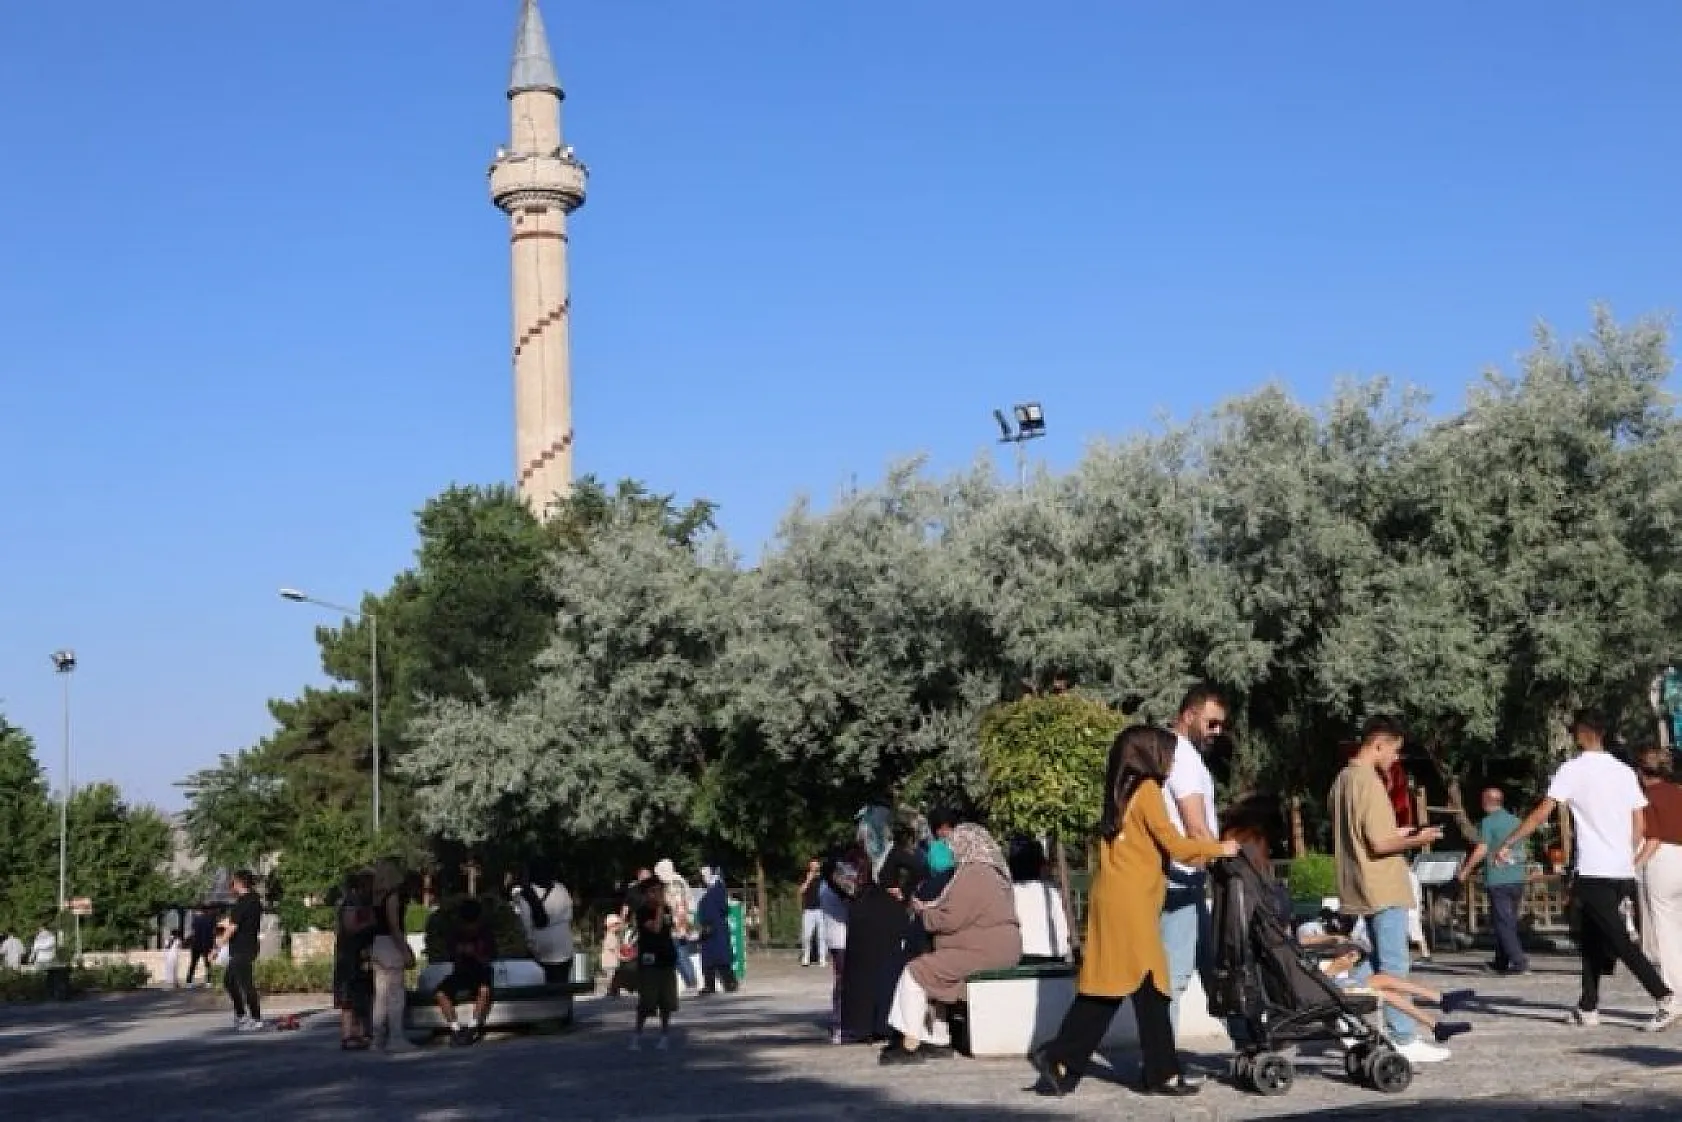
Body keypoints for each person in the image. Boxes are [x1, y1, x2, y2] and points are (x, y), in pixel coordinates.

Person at [1031, 726, 1238, 1098]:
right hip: (1132, 902)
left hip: (1112, 897)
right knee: (1149, 984)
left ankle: (1064, 1062)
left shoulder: (1118, 793)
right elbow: (1174, 844)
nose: (1172, 761)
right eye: (1168, 753)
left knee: (1115, 985)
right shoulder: (1147, 792)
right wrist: (1219, 849)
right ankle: (1155, 1073)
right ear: (1149, 754)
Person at [1496, 711, 1678, 1031]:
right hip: (1621, 870)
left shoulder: (1572, 770)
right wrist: (1625, 854)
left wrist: (1509, 842)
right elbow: (1639, 823)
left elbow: (1542, 813)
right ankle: (1588, 1006)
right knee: (1593, 939)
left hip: (1594, 869)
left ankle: (1665, 997)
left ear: (1581, 734)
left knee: (1618, 940)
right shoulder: (1624, 772)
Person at [1329, 716, 1451, 1065]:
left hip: (1357, 885)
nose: (1395, 760)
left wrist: (1401, 832)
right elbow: (1379, 842)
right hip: (1382, 885)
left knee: (1370, 963)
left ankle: (1343, 1011)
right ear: (1378, 744)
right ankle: (1403, 1035)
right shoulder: (1368, 781)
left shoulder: (1342, 780)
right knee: (1394, 963)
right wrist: (1418, 838)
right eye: (1394, 751)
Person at [879, 823, 1021, 1064]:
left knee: (916, 972)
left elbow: (951, 918)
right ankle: (938, 1039)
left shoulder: (973, 873)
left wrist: (925, 915)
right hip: (998, 949)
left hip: (982, 952)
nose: (951, 850)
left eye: (954, 845)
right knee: (938, 974)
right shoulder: (993, 872)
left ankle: (909, 1043)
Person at [1160, 683, 1227, 1037]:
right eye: (1212, 723)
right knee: (1176, 973)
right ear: (1189, 715)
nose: (1218, 732)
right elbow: (1195, 825)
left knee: (1210, 964)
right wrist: (1224, 858)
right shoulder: (1183, 758)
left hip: (1188, 877)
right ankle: (1162, 1061)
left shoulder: (1178, 754)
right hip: (1183, 877)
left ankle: (1247, 1039)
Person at [839, 808, 913, 1043]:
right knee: (885, 971)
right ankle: (884, 1023)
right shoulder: (893, 852)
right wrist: (905, 893)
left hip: (860, 916)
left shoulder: (855, 852)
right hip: (888, 915)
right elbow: (920, 869)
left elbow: (840, 880)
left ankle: (860, 1026)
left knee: (861, 973)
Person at [1456, 787, 1531, 975]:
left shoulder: (1488, 823)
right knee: (1508, 920)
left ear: (1486, 801)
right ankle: (1501, 961)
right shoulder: (1516, 821)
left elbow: (1482, 849)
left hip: (1498, 878)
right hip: (1517, 876)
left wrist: (1466, 869)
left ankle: (1519, 961)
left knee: (1502, 922)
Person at [1635, 745, 1682, 995]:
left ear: (1641, 771)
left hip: (1662, 859)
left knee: (1666, 931)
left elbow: (1652, 837)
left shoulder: (1645, 797)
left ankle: (1675, 991)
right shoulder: (1677, 792)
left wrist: (1633, 864)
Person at [368, 859, 417, 1052]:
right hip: (390, 943)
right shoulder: (393, 897)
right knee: (395, 993)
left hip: (377, 943)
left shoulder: (375, 898)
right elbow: (394, 926)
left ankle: (377, 1037)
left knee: (380, 995)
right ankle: (396, 1037)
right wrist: (405, 950)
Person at [433, 898, 497, 1046]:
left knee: (484, 991)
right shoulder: (456, 933)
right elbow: (449, 954)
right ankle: (455, 1029)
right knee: (441, 993)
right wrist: (458, 952)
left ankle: (472, 1028)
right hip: (461, 973)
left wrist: (475, 953)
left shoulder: (485, 933)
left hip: (481, 972)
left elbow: (490, 958)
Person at [632, 876, 679, 1051]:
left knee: (667, 1000)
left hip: (666, 957)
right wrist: (659, 908)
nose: (658, 894)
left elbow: (667, 929)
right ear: (646, 894)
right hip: (649, 959)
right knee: (647, 1000)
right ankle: (637, 1034)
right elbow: (656, 928)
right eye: (654, 891)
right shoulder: (642, 911)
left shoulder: (666, 909)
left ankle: (665, 1035)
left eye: (660, 890)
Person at [334, 868, 377, 1049]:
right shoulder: (352, 902)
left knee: (360, 994)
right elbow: (350, 926)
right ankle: (351, 1034)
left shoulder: (361, 901)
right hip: (351, 954)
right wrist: (372, 923)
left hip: (357, 953)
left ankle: (356, 1033)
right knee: (351, 993)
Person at [1009, 838, 1071, 963]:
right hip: (1056, 955)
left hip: (1024, 957)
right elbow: (1064, 930)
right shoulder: (1051, 892)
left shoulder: (1009, 893)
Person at [513, 861, 575, 985]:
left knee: (542, 992)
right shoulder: (561, 888)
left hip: (540, 951)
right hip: (564, 947)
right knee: (562, 990)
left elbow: (526, 926)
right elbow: (569, 914)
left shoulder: (525, 894)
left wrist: (531, 946)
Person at [219, 870, 264, 1033]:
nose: (232, 886)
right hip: (248, 946)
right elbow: (238, 921)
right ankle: (241, 1015)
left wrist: (217, 946)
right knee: (229, 981)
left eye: (233, 883)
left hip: (242, 948)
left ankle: (256, 1018)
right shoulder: (254, 900)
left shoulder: (243, 902)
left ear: (239, 883)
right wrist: (227, 923)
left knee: (246, 984)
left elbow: (232, 927)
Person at [820, 855, 856, 1043]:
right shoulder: (834, 889)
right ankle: (841, 1024)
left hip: (835, 938)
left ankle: (841, 1022)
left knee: (841, 980)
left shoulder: (824, 887)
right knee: (843, 981)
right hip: (842, 938)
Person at [654, 859, 700, 994]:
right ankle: (687, 982)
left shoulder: (675, 883)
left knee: (679, 953)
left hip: (677, 924)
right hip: (674, 924)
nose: (659, 876)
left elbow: (680, 905)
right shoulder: (672, 882)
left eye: (659, 872)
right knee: (675, 953)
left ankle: (691, 982)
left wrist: (681, 926)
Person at [695, 865, 738, 994]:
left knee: (720, 956)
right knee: (707, 957)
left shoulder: (718, 887)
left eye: (705, 873)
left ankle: (730, 982)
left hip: (717, 926)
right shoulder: (706, 889)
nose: (703, 876)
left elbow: (723, 907)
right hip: (706, 926)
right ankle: (709, 985)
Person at [799, 859, 827, 967]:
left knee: (822, 935)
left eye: (816, 865)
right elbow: (801, 891)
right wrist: (808, 880)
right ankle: (806, 957)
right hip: (808, 910)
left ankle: (822, 958)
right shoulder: (806, 876)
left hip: (821, 910)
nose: (814, 867)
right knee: (807, 935)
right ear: (809, 866)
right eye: (812, 865)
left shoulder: (823, 878)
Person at [186, 907, 216, 988]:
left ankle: (189, 981)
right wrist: (213, 945)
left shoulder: (195, 920)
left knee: (193, 963)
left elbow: (193, 932)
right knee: (208, 963)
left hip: (196, 944)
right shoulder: (211, 920)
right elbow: (212, 933)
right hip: (207, 944)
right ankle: (209, 981)